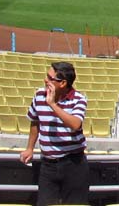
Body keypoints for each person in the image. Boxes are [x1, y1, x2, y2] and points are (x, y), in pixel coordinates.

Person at [20, 62, 89, 206]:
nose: (46, 80)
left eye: (50, 78)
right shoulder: (39, 95)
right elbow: (34, 121)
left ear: (63, 83)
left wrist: (52, 104)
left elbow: (75, 124)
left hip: (73, 163)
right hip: (48, 165)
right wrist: (30, 148)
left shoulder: (78, 99)